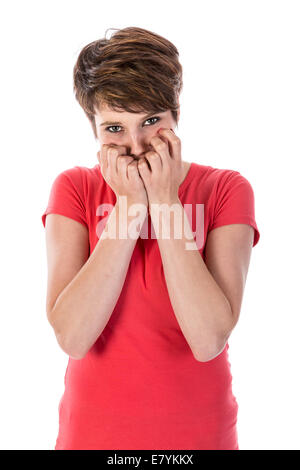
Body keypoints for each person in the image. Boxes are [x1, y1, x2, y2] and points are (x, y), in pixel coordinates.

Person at [41, 26, 260, 450]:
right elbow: (72, 335)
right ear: (94, 128)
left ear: (176, 113)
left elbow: (208, 339)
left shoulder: (226, 189)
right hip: (93, 438)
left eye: (151, 121)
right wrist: (128, 206)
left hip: (199, 439)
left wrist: (164, 200)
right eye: (114, 128)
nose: (136, 145)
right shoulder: (74, 188)